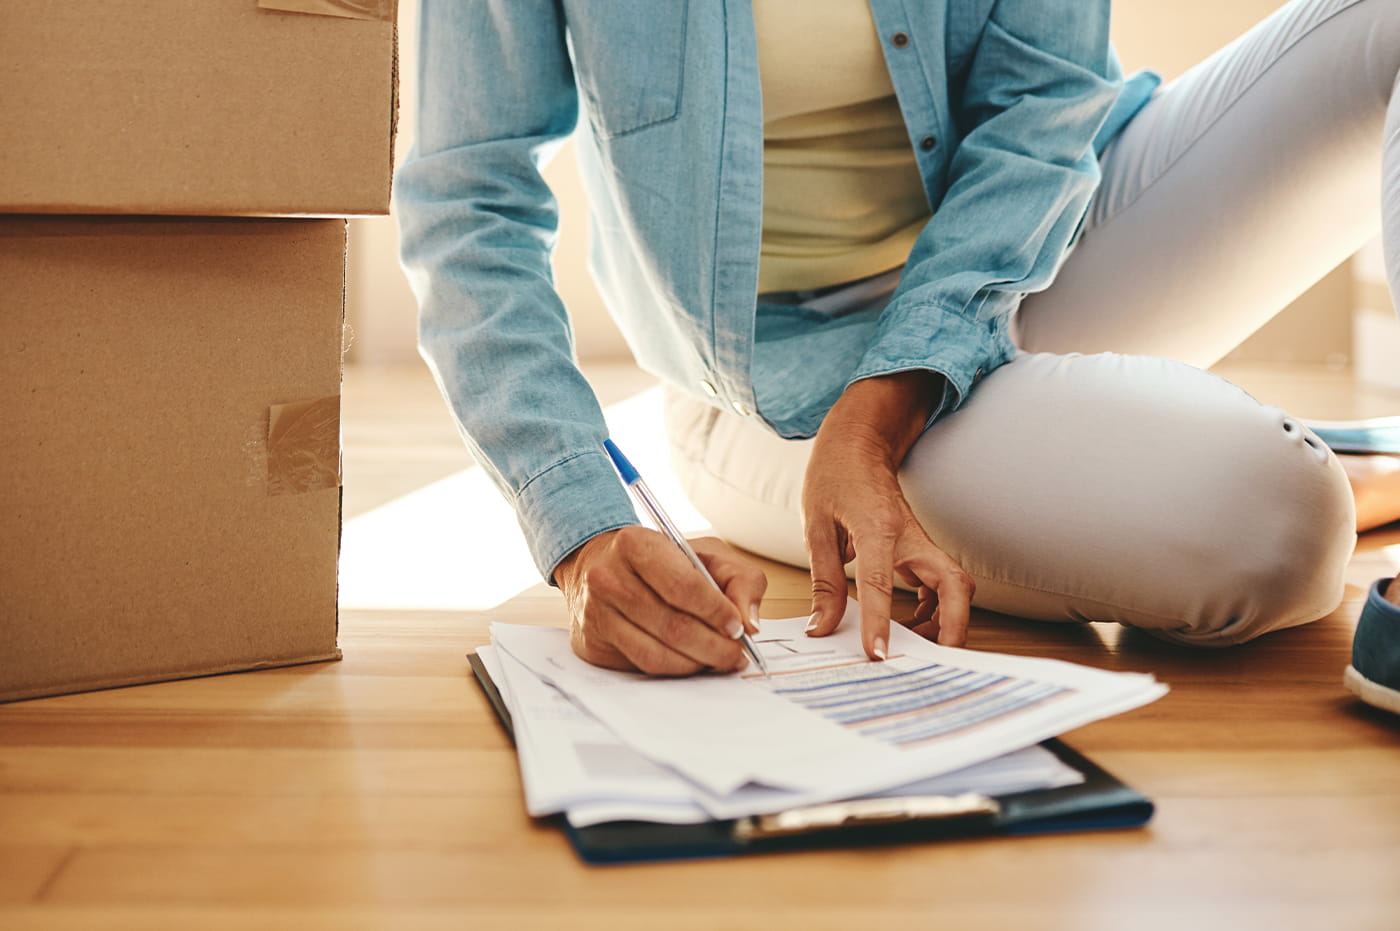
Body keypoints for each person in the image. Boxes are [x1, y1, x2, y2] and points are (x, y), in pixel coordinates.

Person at [396, 0, 1400, 695]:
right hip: (776, 374)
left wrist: (885, 410)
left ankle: (1310, 449)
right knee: (1278, 527)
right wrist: (580, 534)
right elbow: (466, 197)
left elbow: (1044, 104)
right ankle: (1337, 462)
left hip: (1046, 235)